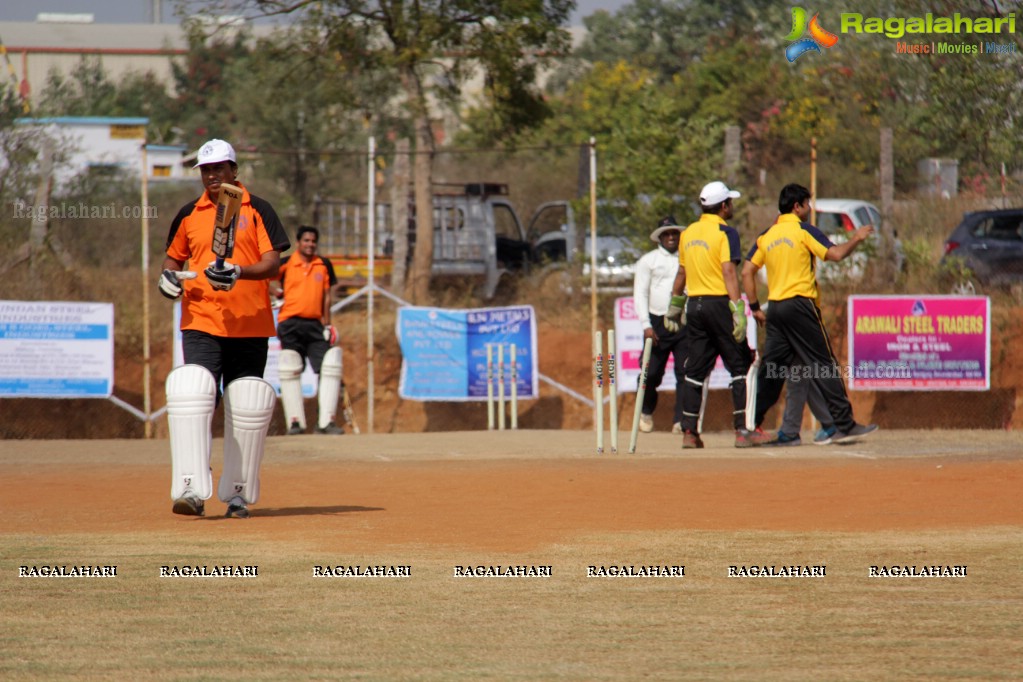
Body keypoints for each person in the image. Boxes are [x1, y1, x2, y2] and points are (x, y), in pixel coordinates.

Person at [158, 138, 291, 519]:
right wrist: (168, 279)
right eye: (206, 169)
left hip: (250, 324)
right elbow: (173, 259)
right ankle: (190, 487)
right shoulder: (188, 213)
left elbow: (272, 264)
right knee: (194, 395)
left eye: (220, 168)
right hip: (201, 320)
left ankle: (237, 493)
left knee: (244, 403)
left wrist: (239, 271)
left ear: (234, 170)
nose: (213, 175)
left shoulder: (258, 209)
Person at [741, 182, 878, 444]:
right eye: (808, 204)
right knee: (823, 364)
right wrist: (856, 239)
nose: (810, 208)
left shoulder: (766, 236)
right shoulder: (804, 231)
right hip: (800, 306)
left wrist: (756, 307)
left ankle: (749, 425)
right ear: (797, 206)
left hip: (776, 309)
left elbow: (747, 271)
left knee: (772, 370)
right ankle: (844, 424)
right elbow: (835, 254)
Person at [664, 181, 775, 449]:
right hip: (718, 305)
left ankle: (689, 432)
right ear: (723, 206)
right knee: (741, 365)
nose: (732, 207)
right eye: (731, 203)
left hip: (695, 306)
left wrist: (675, 304)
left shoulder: (688, 233)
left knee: (695, 370)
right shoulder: (726, 233)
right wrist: (738, 308)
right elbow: (728, 272)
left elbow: (682, 273)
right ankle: (742, 430)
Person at [275, 225, 345, 436]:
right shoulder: (286, 263)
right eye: (306, 240)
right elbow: (266, 280)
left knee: (328, 367)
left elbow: (327, 296)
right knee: (289, 365)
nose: (310, 244)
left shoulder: (323, 264)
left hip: (315, 325)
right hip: (290, 323)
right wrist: (277, 292)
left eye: (313, 241)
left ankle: (325, 423)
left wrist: (328, 324)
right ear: (299, 242)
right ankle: (295, 423)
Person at [632, 215, 689, 434]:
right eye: (667, 234)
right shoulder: (648, 260)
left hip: (682, 319)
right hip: (656, 321)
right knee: (651, 372)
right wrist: (646, 325)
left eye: (675, 233)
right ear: (660, 238)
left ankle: (680, 420)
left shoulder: (687, 257)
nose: (672, 237)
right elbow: (640, 294)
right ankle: (645, 411)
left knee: (685, 371)